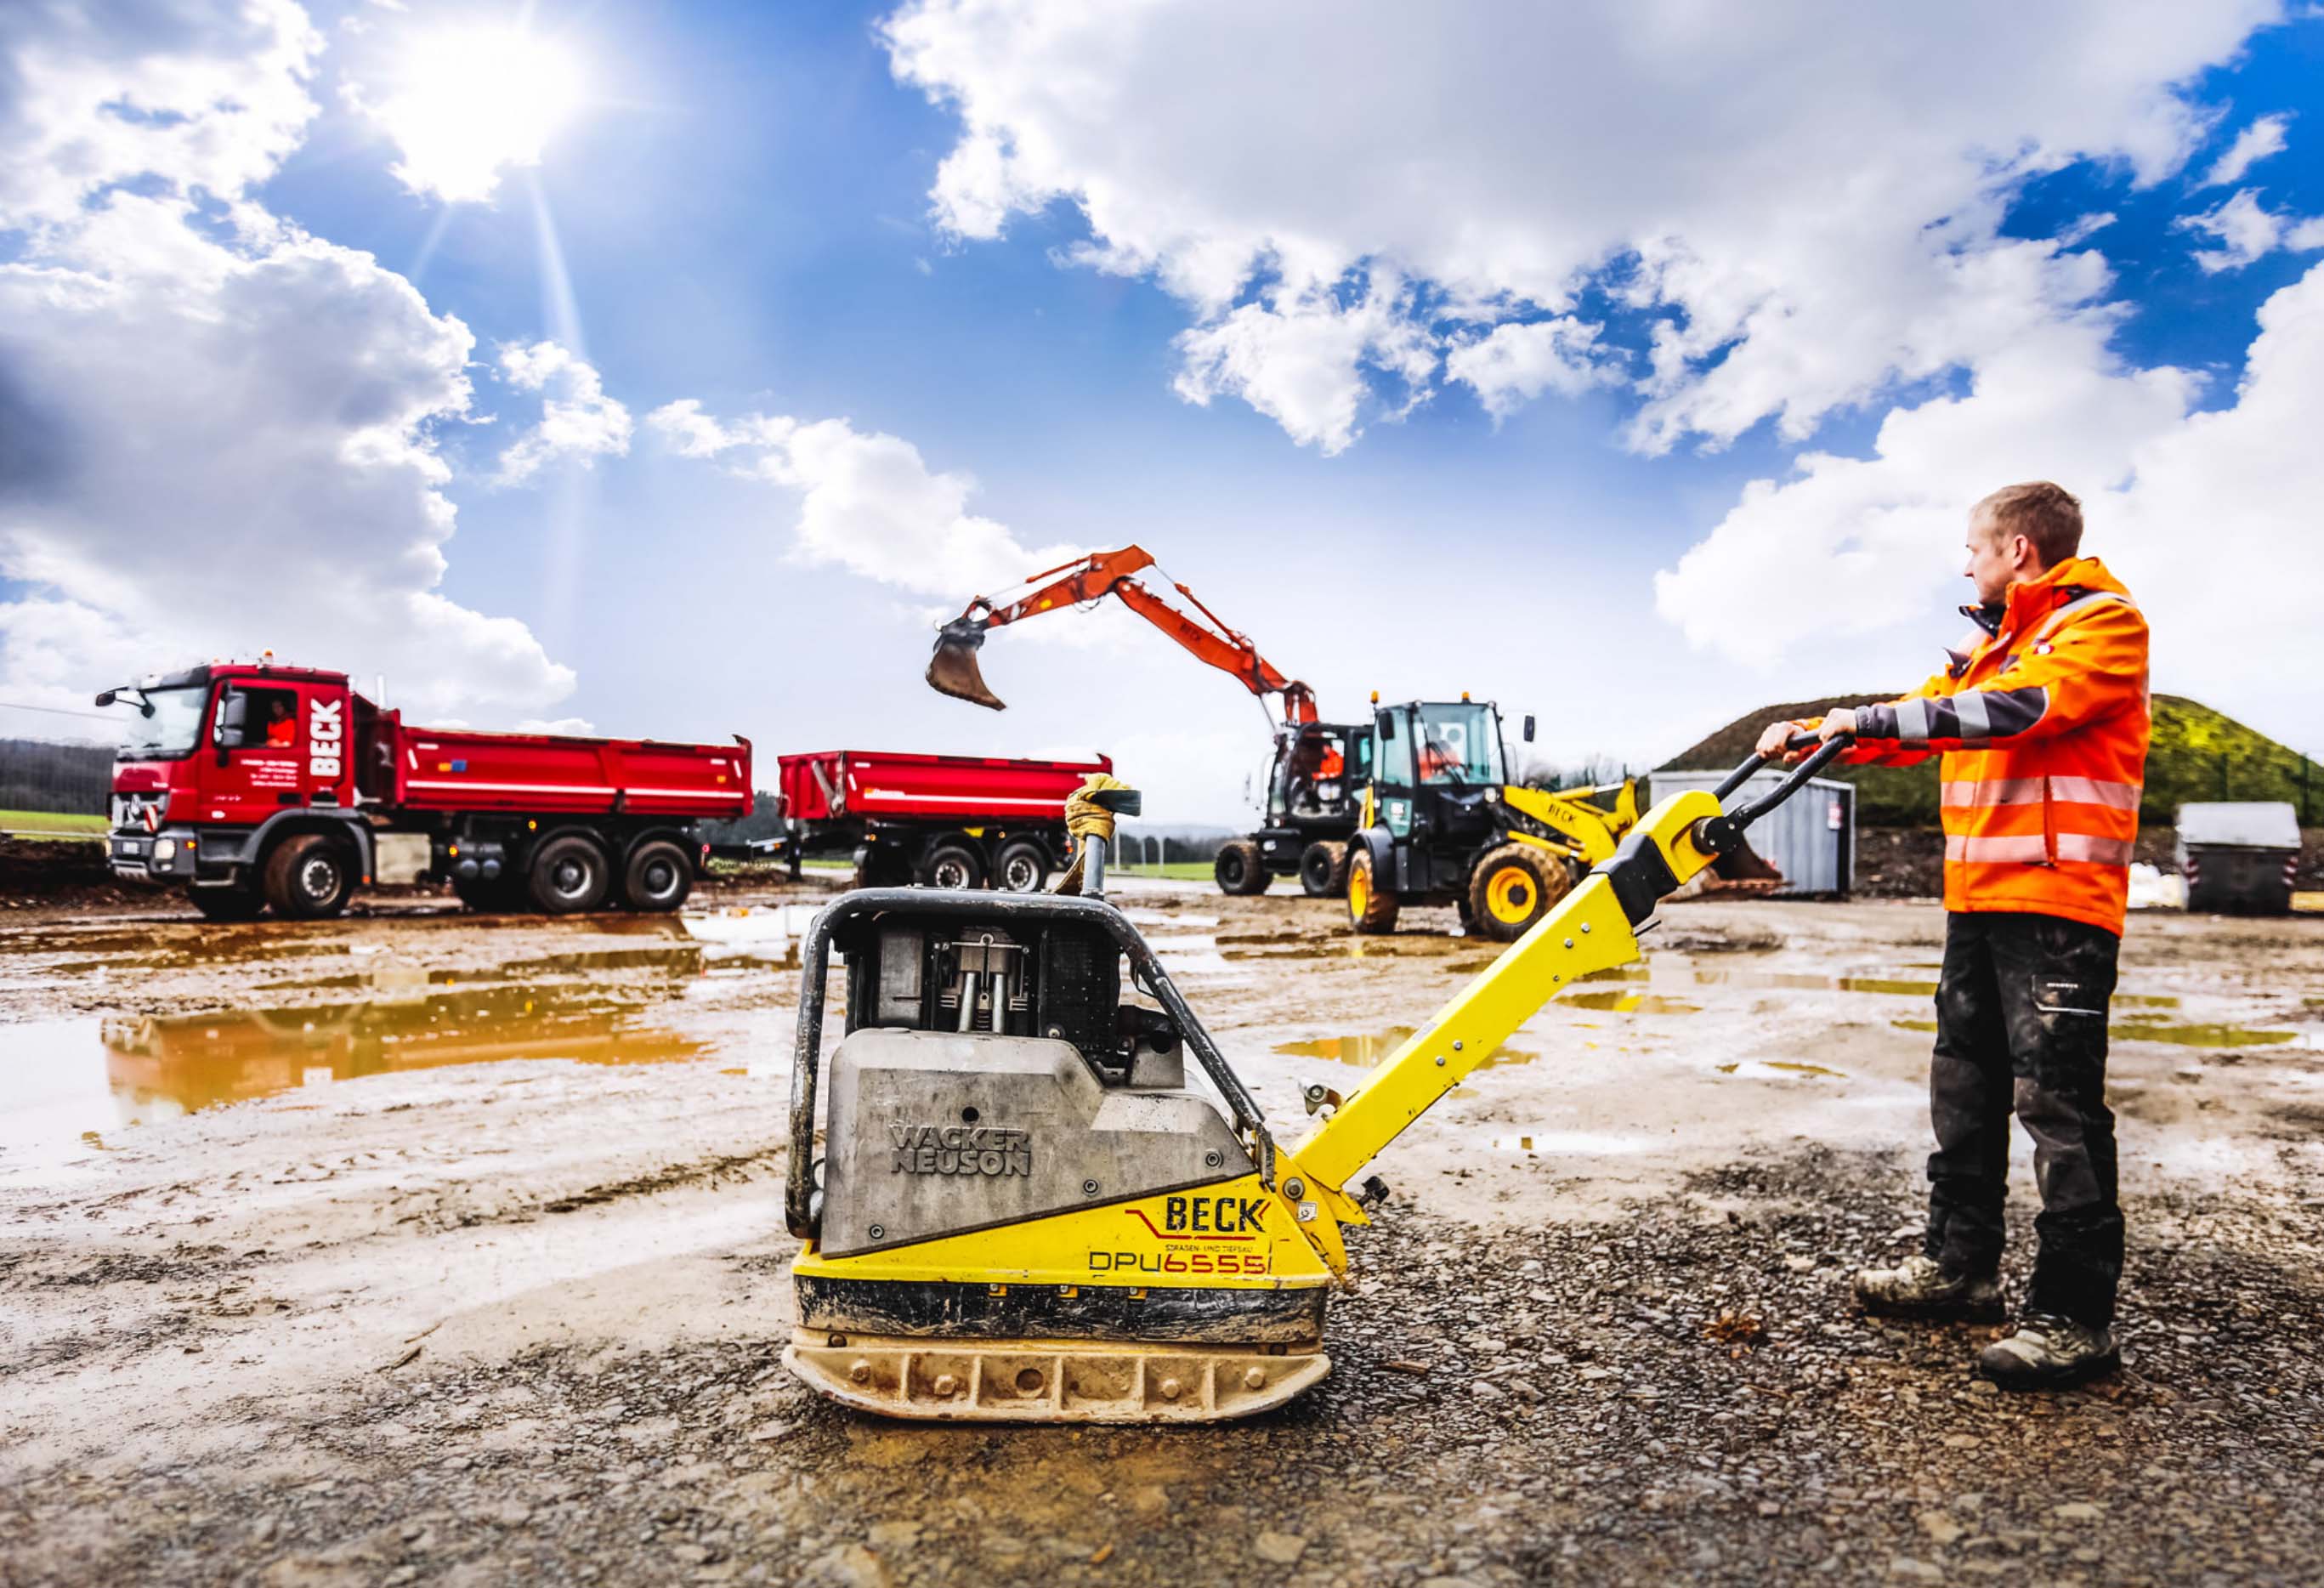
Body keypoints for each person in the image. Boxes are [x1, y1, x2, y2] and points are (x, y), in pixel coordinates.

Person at [1755, 480, 2149, 1389]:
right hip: (1977, 901)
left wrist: (1874, 718)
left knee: (2057, 1102)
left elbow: (2018, 711)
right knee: (1964, 1084)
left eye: (1972, 548)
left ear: (2017, 548)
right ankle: (1958, 1266)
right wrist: (1818, 732)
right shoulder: (1993, 648)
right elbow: (1920, 718)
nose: (1964, 563)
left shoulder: (2101, 626)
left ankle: (2072, 1315)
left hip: (2056, 902)